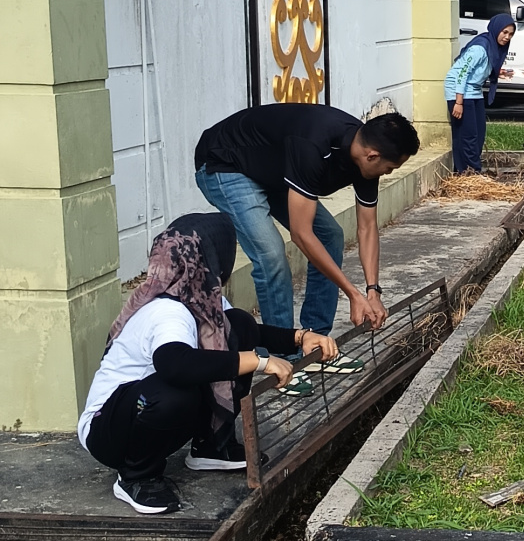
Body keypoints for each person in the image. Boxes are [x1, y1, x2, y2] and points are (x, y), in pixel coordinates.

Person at [78, 213, 341, 514]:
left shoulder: (199, 297)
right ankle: (136, 476)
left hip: (144, 412)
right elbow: (175, 365)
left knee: (238, 324)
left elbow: (247, 332)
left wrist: (300, 337)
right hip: (109, 432)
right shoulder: (167, 311)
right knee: (176, 390)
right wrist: (260, 361)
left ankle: (212, 445)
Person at [194, 106, 420, 352]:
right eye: (390, 168)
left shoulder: (365, 156)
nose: (387, 173)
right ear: (372, 156)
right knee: (271, 254)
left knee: (330, 236)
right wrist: (353, 295)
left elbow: (367, 227)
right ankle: (283, 354)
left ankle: (315, 342)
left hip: (271, 170)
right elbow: (301, 234)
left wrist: (373, 291)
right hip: (225, 164)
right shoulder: (314, 145)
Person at [444, 13, 516, 173]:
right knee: (468, 135)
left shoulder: (493, 46)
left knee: (479, 134)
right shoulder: (480, 48)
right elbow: (462, 73)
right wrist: (459, 102)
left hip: (474, 89)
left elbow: (480, 68)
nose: (507, 37)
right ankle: (472, 172)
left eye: (511, 34)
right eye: (504, 32)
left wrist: (498, 72)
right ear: (496, 29)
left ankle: (464, 171)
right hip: (459, 90)